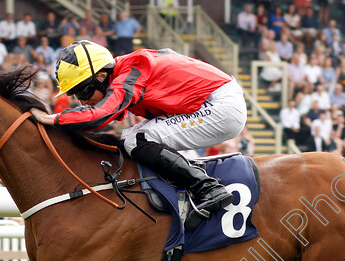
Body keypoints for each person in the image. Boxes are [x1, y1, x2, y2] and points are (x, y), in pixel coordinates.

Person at [32, 40, 246, 216]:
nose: (81, 101)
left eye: (82, 92)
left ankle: (207, 188)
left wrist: (54, 118)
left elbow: (100, 116)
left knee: (137, 139)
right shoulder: (123, 73)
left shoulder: (133, 68)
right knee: (130, 137)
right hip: (211, 103)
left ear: (101, 76)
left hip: (220, 106)